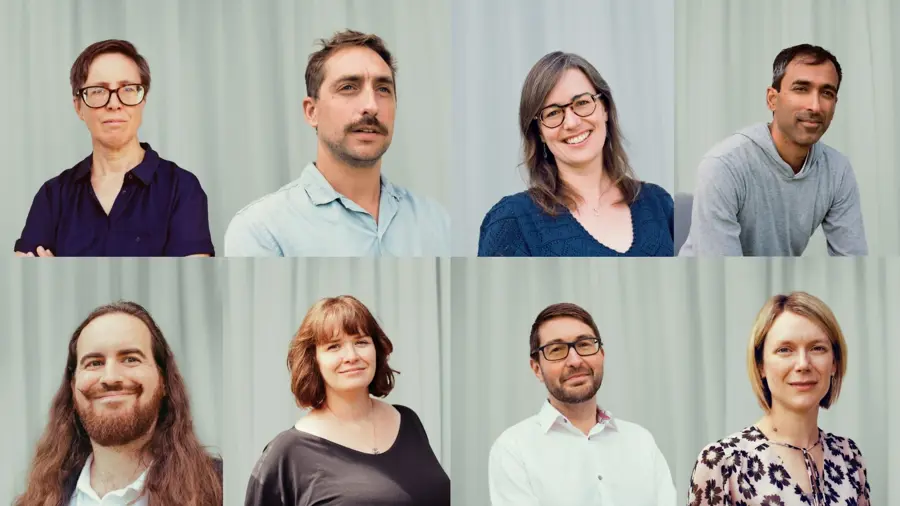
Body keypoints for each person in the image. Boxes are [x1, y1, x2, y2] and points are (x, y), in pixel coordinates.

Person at [224, 30, 450, 257]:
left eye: (383, 89)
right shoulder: (261, 230)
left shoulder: (436, 221)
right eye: (348, 87)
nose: (371, 106)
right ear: (312, 112)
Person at [14, 40, 215, 257]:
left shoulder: (181, 188)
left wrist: (61, 279)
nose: (114, 103)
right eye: (98, 91)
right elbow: (30, 283)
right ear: (79, 107)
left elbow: (190, 285)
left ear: (143, 101)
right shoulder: (53, 196)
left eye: (128, 89)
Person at [244, 295, 450, 505]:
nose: (351, 356)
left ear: (376, 351)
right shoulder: (287, 452)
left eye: (361, 342)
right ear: (313, 360)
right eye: (334, 346)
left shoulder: (407, 421)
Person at [15, 301, 222, 505]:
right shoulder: (39, 499)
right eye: (94, 363)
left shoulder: (222, 490)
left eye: (130, 359)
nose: (110, 377)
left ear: (164, 381)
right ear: (73, 386)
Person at [478, 52, 674, 257]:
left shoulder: (659, 204)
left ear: (605, 109)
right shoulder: (512, 222)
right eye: (553, 113)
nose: (572, 123)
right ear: (540, 133)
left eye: (581, 103)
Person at [679, 44, 867, 256]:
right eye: (801, 89)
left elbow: (852, 258)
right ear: (772, 99)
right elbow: (720, 270)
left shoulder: (838, 170)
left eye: (826, 93)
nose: (815, 106)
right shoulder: (723, 165)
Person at [687, 292, 869, 505]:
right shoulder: (723, 463)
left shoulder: (849, 457)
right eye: (785, 350)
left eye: (817, 348)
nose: (803, 364)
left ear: (835, 363)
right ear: (761, 365)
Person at [489, 302, 676, 506]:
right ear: (536, 368)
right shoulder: (513, 449)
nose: (575, 361)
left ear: (601, 355)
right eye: (557, 350)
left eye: (584, 344)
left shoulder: (641, 442)